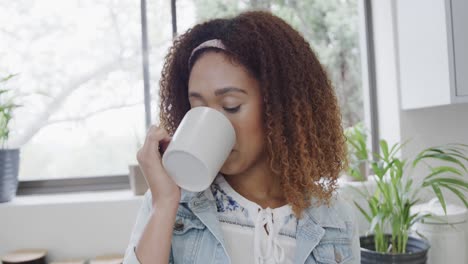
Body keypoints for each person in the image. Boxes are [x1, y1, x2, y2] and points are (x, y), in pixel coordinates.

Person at [123, 10, 360, 264]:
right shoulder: (172, 204)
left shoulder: (336, 221)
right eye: (198, 107)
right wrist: (164, 204)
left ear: (279, 108)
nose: (213, 123)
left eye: (231, 105)